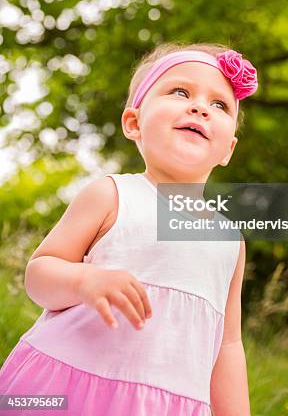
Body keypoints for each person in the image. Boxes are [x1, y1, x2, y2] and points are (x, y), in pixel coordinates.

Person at [0, 42, 258, 416]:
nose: (201, 107)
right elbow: (39, 274)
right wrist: (83, 281)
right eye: (180, 92)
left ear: (228, 149)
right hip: (68, 387)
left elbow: (228, 345)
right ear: (134, 123)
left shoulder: (230, 240)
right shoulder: (112, 193)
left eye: (220, 105)